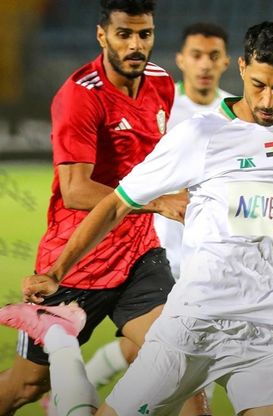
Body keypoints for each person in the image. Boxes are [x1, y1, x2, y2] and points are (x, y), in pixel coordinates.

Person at [3, 20, 273, 416]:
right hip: (191, 329)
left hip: (269, 338)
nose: (269, 101)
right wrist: (57, 272)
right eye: (258, 86)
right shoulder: (200, 135)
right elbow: (116, 203)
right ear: (241, 67)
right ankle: (59, 343)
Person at [0, 1, 207, 415]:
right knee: (25, 386)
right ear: (102, 36)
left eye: (144, 34)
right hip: (78, 261)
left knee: (180, 364)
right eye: (124, 34)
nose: (135, 45)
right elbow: (76, 191)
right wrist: (158, 202)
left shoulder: (161, 83)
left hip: (138, 256)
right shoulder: (80, 96)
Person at [85, 22, 232, 394]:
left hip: (210, 254)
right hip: (159, 249)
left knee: (178, 353)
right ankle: (82, 389)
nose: (204, 65)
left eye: (213, 56)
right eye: (196, 55)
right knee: (173, 353)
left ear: (227, 62)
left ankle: (81, 387)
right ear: (181, 59)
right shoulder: (161, 103)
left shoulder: (238, 113)